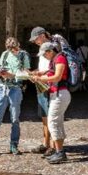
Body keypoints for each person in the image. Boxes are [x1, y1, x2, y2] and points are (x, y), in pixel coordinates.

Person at [29, 26, 68, 155]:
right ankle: (48, 144)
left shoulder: (55, 50)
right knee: (46, 116)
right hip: (45, 84)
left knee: (52, 119)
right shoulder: (48, 51)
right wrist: (37, 74)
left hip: (52, 87)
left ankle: (55, 148)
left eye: (35, 39)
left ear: (41, 35)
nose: (35, 42)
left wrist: (40, 78)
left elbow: (56, 75)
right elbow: (48, 69)